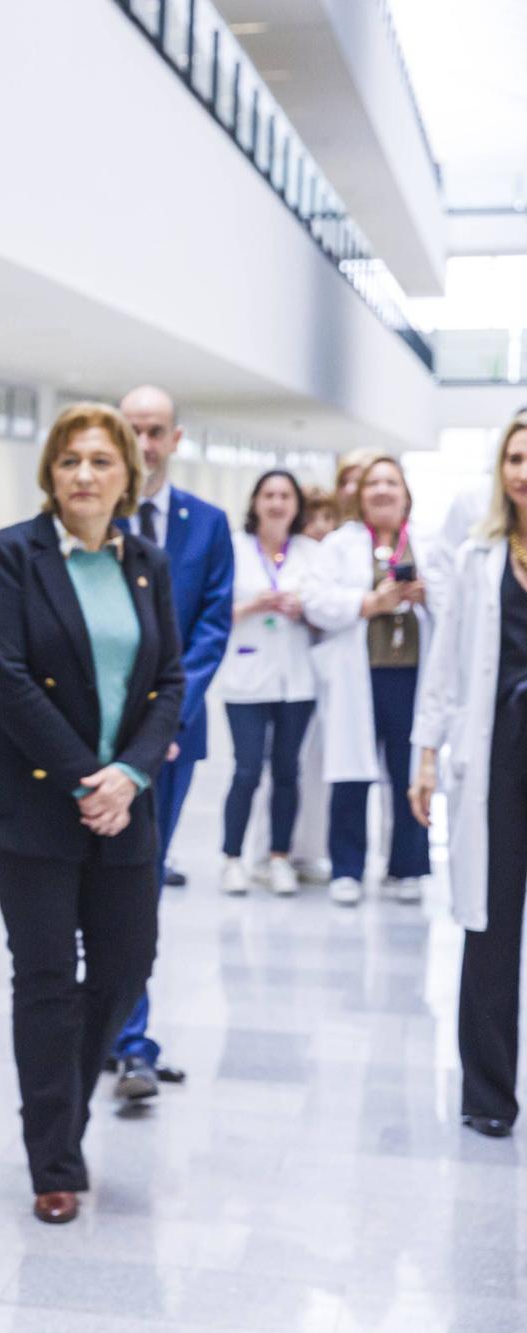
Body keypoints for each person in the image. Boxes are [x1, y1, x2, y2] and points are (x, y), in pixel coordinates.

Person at [0, 403, 185, 1225]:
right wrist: (91, 778)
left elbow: (169, 684)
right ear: (50, 473)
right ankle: (54, 1155)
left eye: (100, 461)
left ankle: (66, 1111)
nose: (83, 475)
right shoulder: (13, 554)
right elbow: (6, 677)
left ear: (130, 472)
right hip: (29, 807)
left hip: (126, 803)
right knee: (47, 977)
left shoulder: (147, 562)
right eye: (68, 461)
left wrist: (129, 776)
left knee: (127, 963)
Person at [107, 385, 231, 1103]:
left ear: (175, 438)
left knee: (140, 878)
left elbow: (211, 626)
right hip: (92, 737)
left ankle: (130, 1037)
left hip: (172, 738)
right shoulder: (90, 517)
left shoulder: (205, 525)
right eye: (134, 430)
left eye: (156, 431)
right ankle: (107, 1025)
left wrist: (168, 714)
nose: (145, 444)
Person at [413, 411, 527, 1138]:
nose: (523, 471)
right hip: (497, 753)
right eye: (514, 458)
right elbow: (446, 665)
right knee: (488, 925)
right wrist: (424, 755)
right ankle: (487, 1092)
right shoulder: (477, 556)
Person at [305, 452, 434, 906]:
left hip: (413, 676)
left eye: (391, 483)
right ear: (360, 496)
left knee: (410, 773)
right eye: (373, 484)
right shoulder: (338, 544)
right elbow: (315, 601)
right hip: (357, 676)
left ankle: (408, 867)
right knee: (351, 773)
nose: (382, 491)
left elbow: (458, 603)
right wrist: (367, 603)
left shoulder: (428, 544)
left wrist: (427, 595)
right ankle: (347, 868)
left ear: (405, 494)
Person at [216, 470, 320, 895]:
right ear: (255, 501)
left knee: (287, 772)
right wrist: (254, 604)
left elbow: (330, 610)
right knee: (245, 770)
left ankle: (279, 857)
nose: (277, 503)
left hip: (297, 678)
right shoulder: (234, 550)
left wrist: (305, 609)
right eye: (269, 495)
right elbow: (213, 611)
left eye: (285, 496)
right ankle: (233, 858)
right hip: (246, 677)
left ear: (297, 505)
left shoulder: (313, 552)